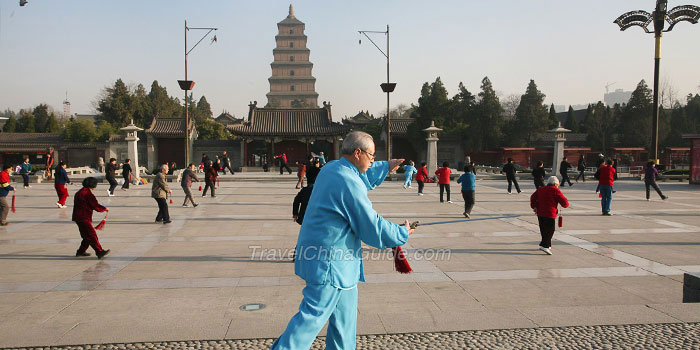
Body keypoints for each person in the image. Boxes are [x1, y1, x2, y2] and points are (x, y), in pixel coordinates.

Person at [271, 131, 412, 350]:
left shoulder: (332, 168)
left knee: (344, 326)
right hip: (330, 264)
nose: (373, 160)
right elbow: (370, 226)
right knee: (310, 320)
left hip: (341, 266)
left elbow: (361, 175)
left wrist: (385, 166)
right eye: (372, 155)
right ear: (358, 152)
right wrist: (401, 232)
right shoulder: (346, 181)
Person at [530, 176, 569, 255]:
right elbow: (565, 202)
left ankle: (543, 244)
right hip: (550, 213)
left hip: (540, 213)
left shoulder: (541, 189)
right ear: (555, 184)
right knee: (550, 230)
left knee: (543, 229)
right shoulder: (555, 190)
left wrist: (534, 206)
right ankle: (545, 246)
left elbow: (532, 197)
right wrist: (565, 205)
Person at [73, 177, 110, 258]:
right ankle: (99, 251)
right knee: (91, 234)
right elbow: (95, 205)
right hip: (84, 217)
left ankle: (81, 251)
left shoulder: (79, 192)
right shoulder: (87, 194)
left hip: (78, 216)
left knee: (86, 236)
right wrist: (104, 209)